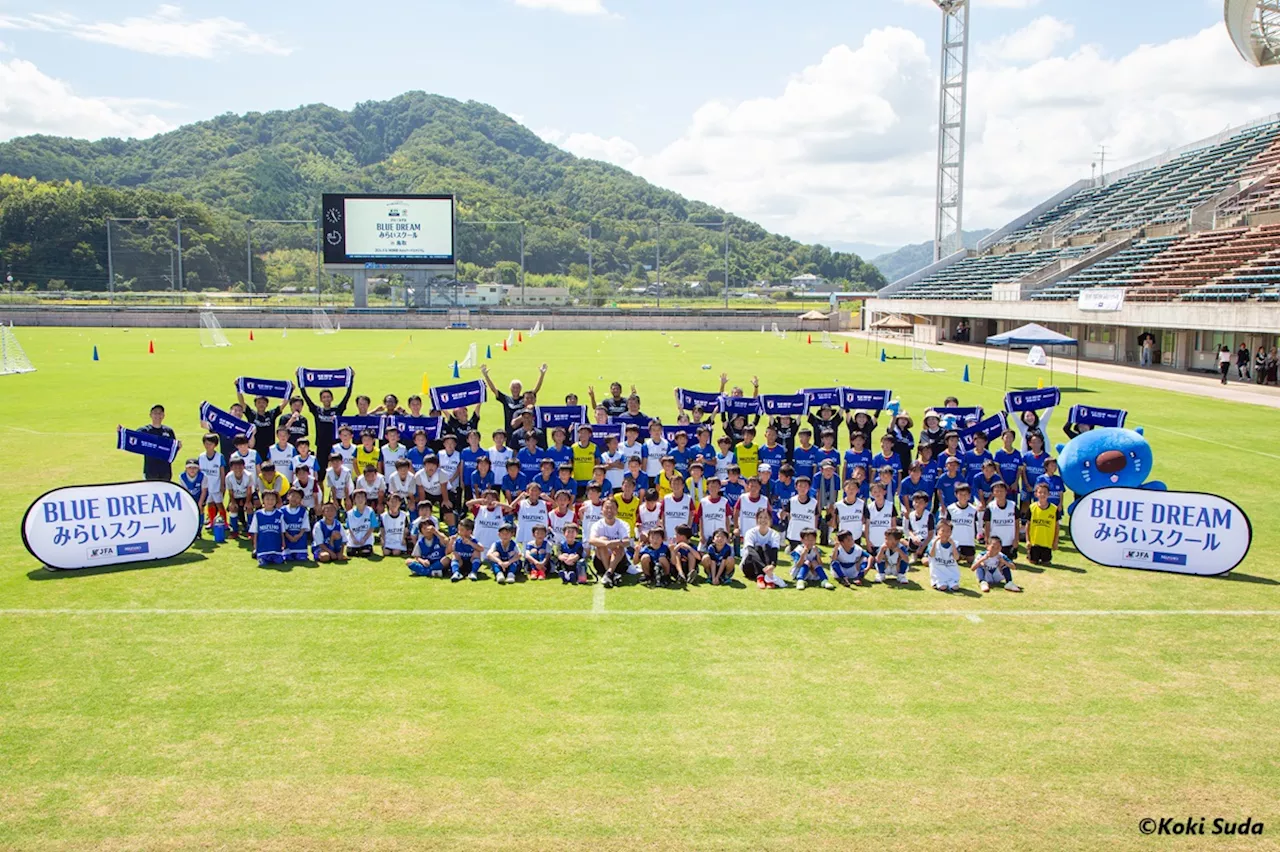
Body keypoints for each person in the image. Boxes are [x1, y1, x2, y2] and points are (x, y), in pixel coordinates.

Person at [481, 363, 548, 432]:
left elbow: (535, 390)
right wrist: (486, 376)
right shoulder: (506, 399)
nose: (515, 389)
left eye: (518, 387)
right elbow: (494, 389)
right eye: (513, 387)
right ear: (510, 388)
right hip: (509, 431)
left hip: (523, 431)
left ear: (521, 389)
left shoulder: (524, 399)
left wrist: (542, 374)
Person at [300, 380, 354, 462]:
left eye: (328, 396)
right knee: (321, 469)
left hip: (335, 444)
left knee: (336, 466)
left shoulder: (337, 410)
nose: (326, 399)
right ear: (321, 399)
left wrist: (351, 378)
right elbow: (306, 397)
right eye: (324, 397)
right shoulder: (317, 410)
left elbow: (347, 396)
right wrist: (299, 378)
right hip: (321, 444)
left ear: (332, 398)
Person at [589, 498, 632, 589]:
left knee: (618, 545)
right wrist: (606, 543)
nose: (609, 510)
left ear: (617, 510)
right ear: (602, 509)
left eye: (612, 508)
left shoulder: (623, 524)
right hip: (600, 561)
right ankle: (610, 573)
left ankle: (608, 573)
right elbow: (591, 540)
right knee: (602, 541)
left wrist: (616, 542)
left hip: (619, 562)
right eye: (607, 507)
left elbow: (627, 542)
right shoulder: (597, 525)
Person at [742, 508, 783, 589]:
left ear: (770, 520)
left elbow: (775, 551)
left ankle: (768, 578)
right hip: (749, 567)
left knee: (766, 547)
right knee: (757, 547)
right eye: (760, 517)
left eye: (766, 517)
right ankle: (760, 577)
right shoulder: (750, 533)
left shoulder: (774, 534)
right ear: (757, 519)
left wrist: (773, 565)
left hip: (766, 569)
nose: (763, 520)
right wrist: (764, 567)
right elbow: (750, 551)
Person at [138, 404, 180, 481]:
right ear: (150, 415)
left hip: (165, 470)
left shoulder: (168, 431)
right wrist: (122, 432)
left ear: (163, 415)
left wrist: (178, 446)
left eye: (160, 413)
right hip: (150, 470)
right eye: (155, 413)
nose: (157, 415)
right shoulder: (144, 430)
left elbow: (172, 450)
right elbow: (134, 439)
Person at [197, 433, 227, 534]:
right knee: (209, 503)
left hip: (216, 485)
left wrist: (223, 484)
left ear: (215, 445)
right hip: (206, 486)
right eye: (206, 443)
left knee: (219, 504)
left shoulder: (219, 457)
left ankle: (225, 522)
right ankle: (212, 521)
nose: (208, 446)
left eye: (210, 444)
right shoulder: (201, 457)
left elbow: (222, 471)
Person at [1025, 482, 1060, 566]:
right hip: (1034, 543)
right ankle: (1030, 555)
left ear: (1049, 494)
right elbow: (1028, 525)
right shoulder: (1032, 508)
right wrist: (1028, 540)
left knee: (1046, 563)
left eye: (1045, 492)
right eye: (1040, 492)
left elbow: (1057, 527)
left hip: (1047, 543)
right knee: (1033, 562)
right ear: (1036, 494)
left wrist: (1055, 541)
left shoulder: (1054, 509)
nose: (1042, 494)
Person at [249, 490, 286, 568]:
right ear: (263, 500)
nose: (270, 501)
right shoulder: (258, 514)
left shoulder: (279, 514)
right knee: (263, 563)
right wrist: (255, 545)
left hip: (276, 548)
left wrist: (283, 543)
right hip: (263, 548)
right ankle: (259, 555)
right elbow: (255, 531)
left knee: (279, 562)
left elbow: (282, 531)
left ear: (276, 501)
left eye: (272, 499)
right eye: (267, 499)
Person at [945, 483, 979, 565]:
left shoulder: (973, 509)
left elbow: (976, 524)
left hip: (968, 542)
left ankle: (964, 555)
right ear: (956, 495)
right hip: (955, 541)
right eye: (960, 494)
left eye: (965, 494)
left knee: (971, 561)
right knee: (953, 560)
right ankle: (959, 555)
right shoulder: (950, 508)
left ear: (969, 496)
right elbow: (947, 524)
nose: (963, 497)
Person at [224, 457, 255, 538]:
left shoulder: (248, 475)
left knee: (249, 508)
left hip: (246, 496)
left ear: (244, 466)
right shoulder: (228, 477)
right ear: (231, 468)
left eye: (240, 466)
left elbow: (249, 490)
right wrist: (233, 502)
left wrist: (248, 502)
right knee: (232, 508)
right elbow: (230, 491)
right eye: (235, 467)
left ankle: (250, 531)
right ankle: (234, 531)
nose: (238, 469)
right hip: (236, 496)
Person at [928, 518, 962, 592]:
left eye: (948, 531)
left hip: (951, 572)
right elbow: (931, 555)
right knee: (942, 587)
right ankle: (936, 582)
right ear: (938, 532)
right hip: (938, 573)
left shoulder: (955, 543)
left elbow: (956, 557)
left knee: (955, 587)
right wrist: (934, 543)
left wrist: (952, 544)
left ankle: (951, 581)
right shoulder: (933, 542)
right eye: (942, 531)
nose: (945, 534)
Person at [280, 488, 311, 562]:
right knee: (287, 558)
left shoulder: (303, 511)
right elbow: (282, 527)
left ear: (301, 500)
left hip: (300, 543)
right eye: (293, 496)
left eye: (297, 497)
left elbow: (305, 526)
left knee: (301, 558)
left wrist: (299, 535)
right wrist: (288, 536)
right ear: (288, 496)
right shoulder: (282, 511)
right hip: (288, 542)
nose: (294, 499)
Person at [345, 490, 378, 557]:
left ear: (365, 499)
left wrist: (364, 539)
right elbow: (349, 528)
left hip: (366, 539)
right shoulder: (349, 513)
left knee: (365, 553)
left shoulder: (370, 511)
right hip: (354, 539)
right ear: (354, 500)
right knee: (350, 553)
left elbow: (372, 527)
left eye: (362, 497)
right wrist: (353, 539)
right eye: (358, 497)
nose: (360, 499)